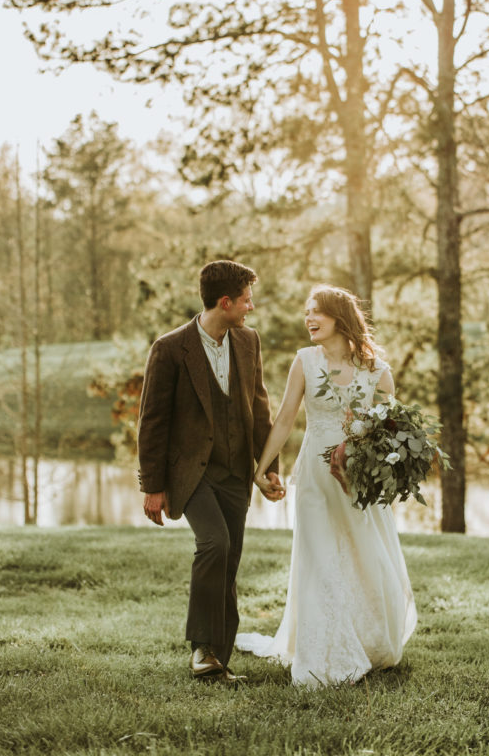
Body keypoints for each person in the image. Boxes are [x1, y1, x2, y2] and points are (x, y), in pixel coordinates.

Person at [237, 284, 417, 686]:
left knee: (362, 555)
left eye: (316, 311)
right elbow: (284, 418)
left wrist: (360, 453)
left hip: (359, 481)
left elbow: (391, 432)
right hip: (315, 478)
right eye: (306, 312)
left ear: (340, 317)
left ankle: (368, 640)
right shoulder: (305, 361)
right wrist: (261, 468)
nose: (308, 319)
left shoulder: (378, 373)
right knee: (319, 558)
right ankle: (324, 652)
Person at [137, 260, 285, 683]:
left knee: (230, 557)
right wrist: (153, 487)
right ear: (226, 302)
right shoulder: (170, 348)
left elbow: (259, 407)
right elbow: (152, 421)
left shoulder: (247, 342)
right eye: (246, 300)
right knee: (214, 543)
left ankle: (217, 659)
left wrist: (267, 467)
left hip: (236, 472)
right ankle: (202, 649)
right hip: (192, 474)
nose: (250, 307)